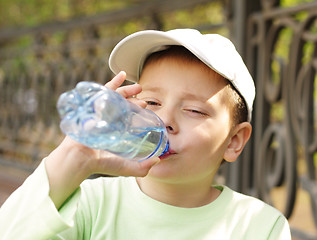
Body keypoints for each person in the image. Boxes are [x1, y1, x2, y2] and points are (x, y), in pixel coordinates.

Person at [0, 29, 291, 239]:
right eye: (151, 103)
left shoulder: (259, 225)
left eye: (194, 110)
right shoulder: (89, 204)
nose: (164, 120)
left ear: (234, 140)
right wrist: (76, 154)